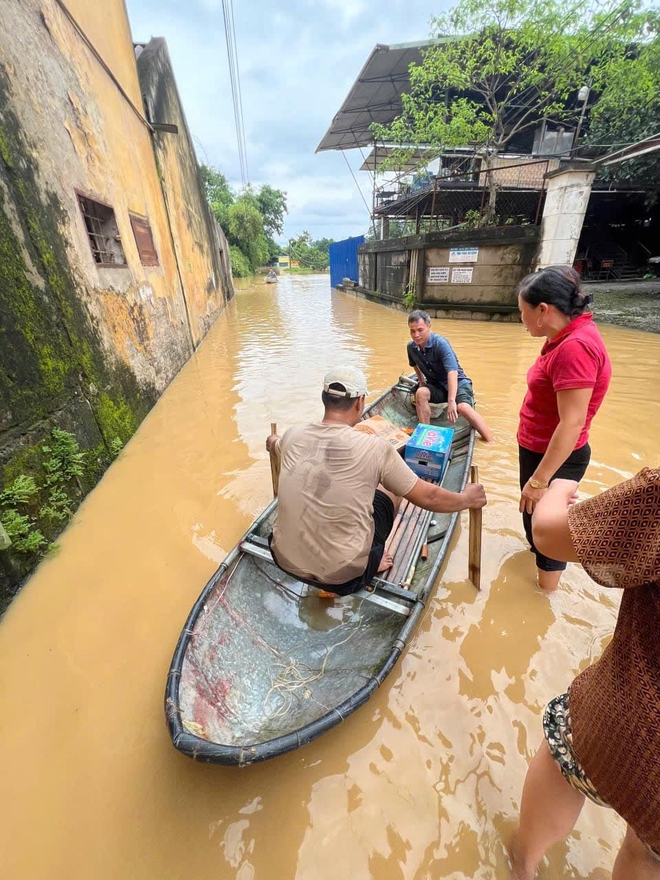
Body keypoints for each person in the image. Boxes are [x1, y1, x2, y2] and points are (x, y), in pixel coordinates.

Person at [511, 470, 660, 880]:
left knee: (567, 748)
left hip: (631, 726)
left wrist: (557, 488)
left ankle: (522, 864)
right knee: (650, 850)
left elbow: (548, 533)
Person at [266, 365, 487, 596]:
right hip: (344, 578)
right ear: (360, 402)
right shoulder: (376, 448)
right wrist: (466, 499)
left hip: (282, 558)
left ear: (324, 399)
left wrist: (272, 441)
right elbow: (428, 496)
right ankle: (374, 559)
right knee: (393, 492)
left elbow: (274, 444)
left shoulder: (293, 434)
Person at [516, 266, 612, 592]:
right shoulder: (565, 338)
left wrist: (539, 480)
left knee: (548, 533)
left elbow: (571, 424)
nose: (521, 319)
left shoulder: (574, 348)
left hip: (555, 457)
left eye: (522, 312)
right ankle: (537, 573)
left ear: (543, 310)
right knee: (534, 524)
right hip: (539, 449)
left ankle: (543, 597)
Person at [406, 310, 493, 442]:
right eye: (412, 331)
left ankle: (490, 440)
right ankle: (425, 434)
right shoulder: (411, 347)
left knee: (462, 407)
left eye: (420, 330)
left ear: (429, 326)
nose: (416, 335)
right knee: (421, 393)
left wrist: (452, 401)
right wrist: (421, 381)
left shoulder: (440, 344)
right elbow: (414, 364)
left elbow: (452, 372)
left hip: (458, 383)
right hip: (437, 386)